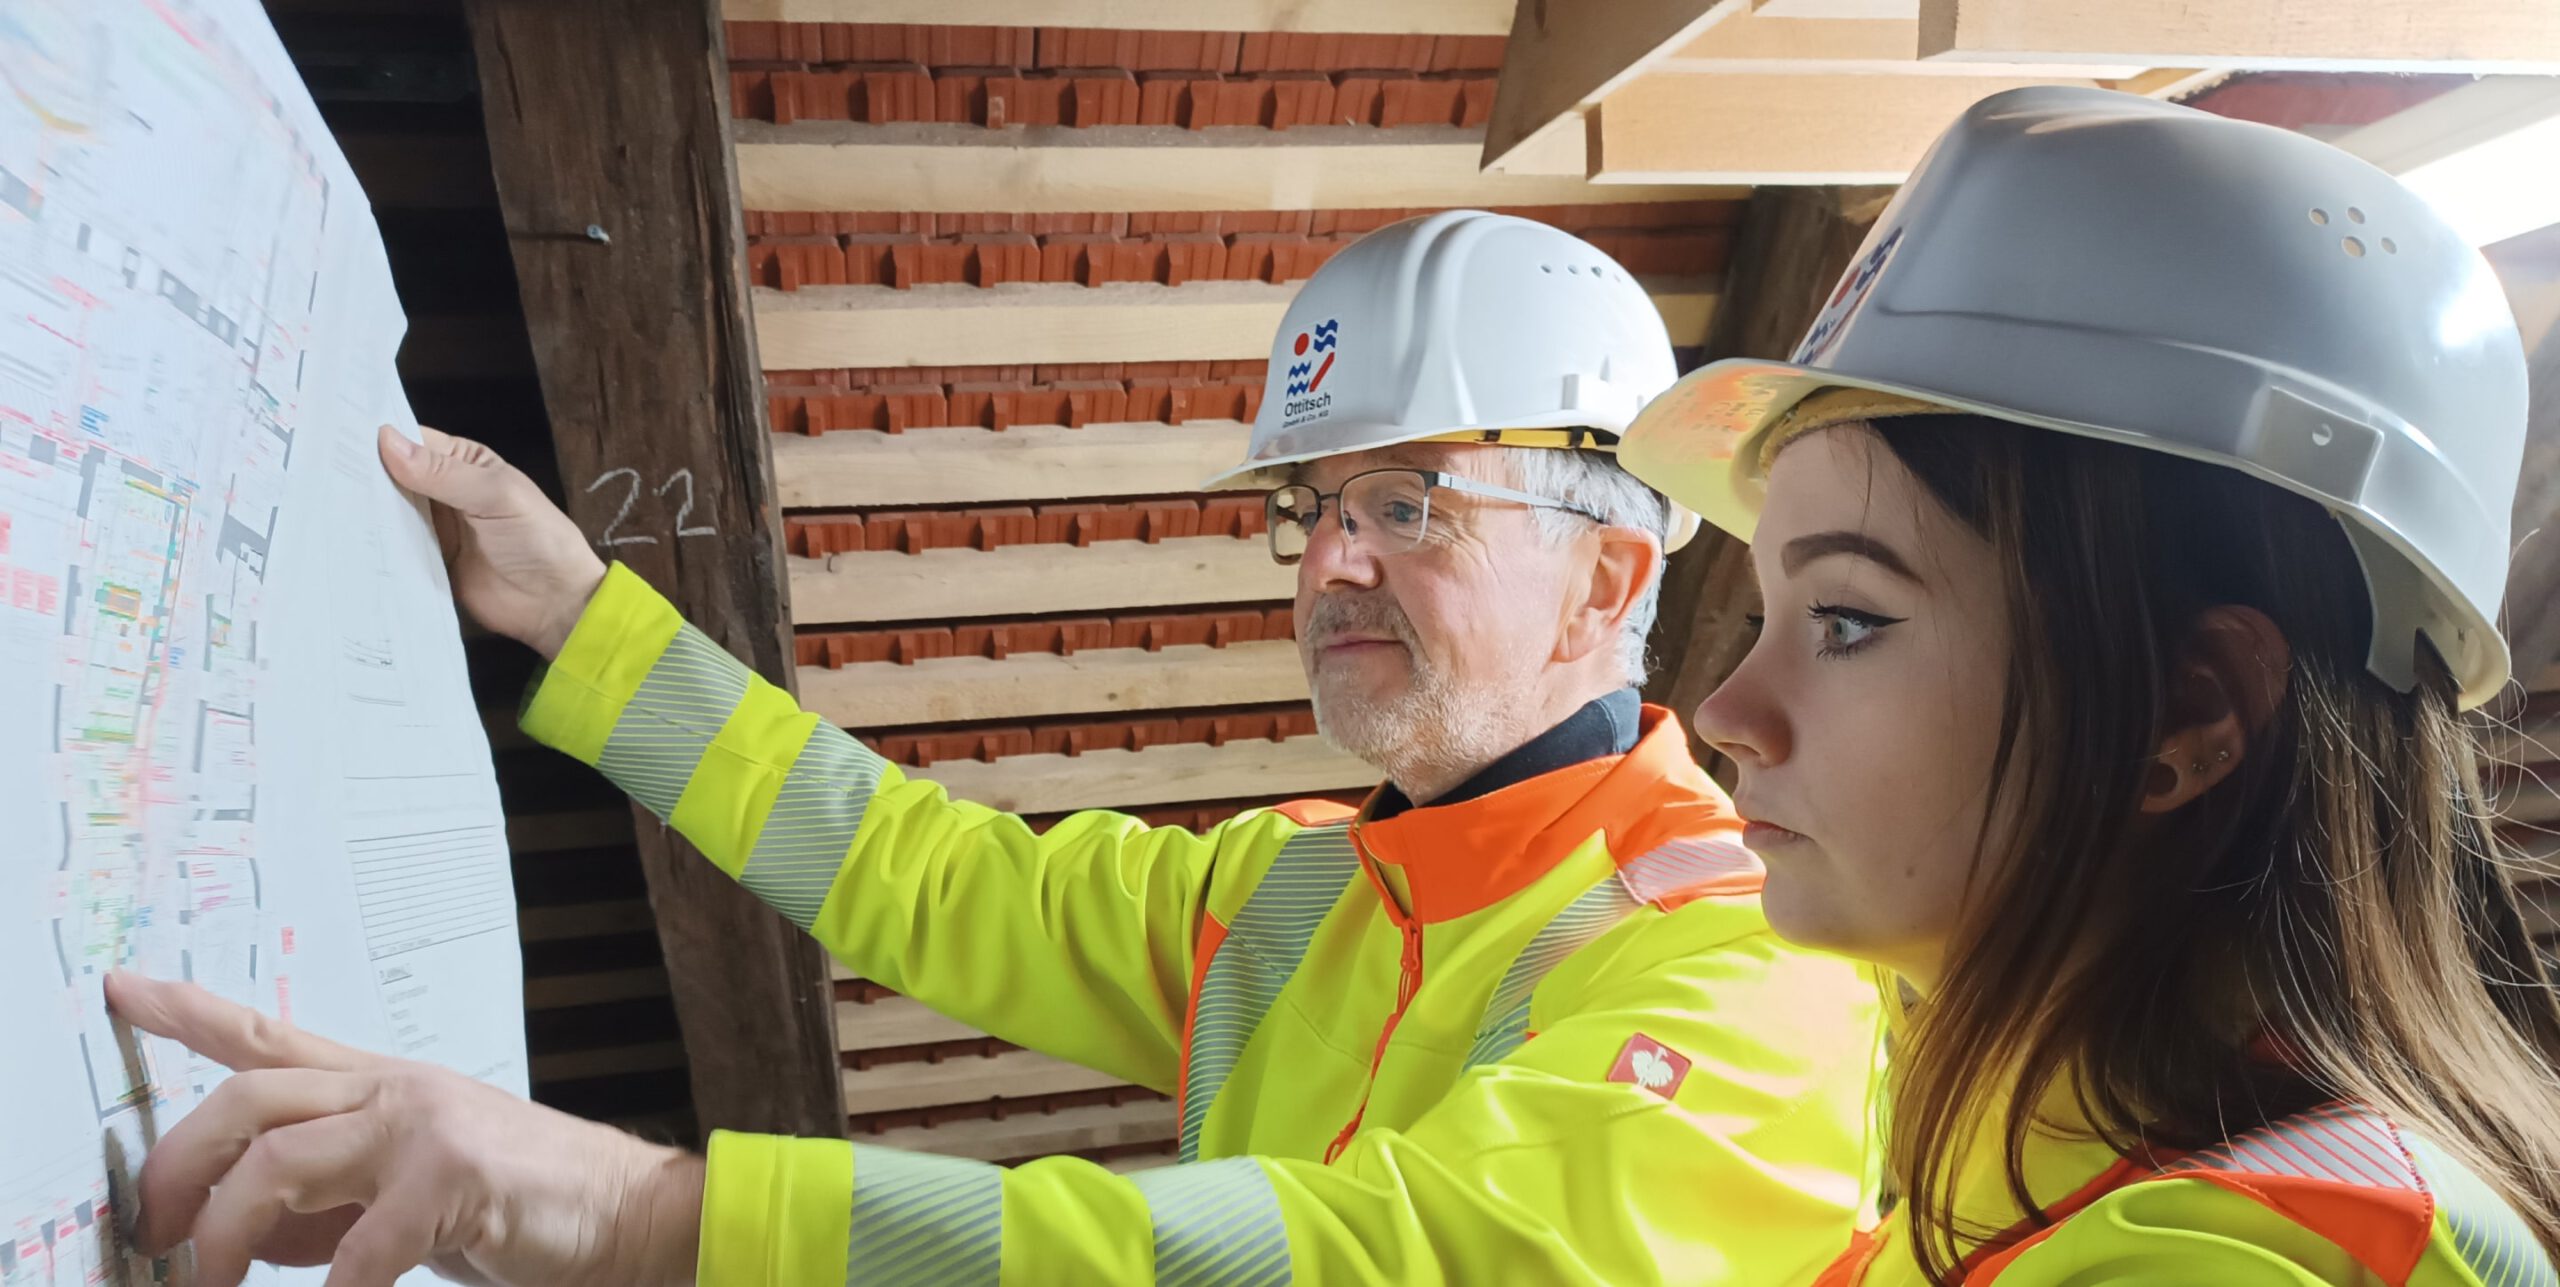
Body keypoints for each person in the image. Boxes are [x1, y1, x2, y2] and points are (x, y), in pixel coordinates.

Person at [107, 211, 1888, 1286]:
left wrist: (654, 1215)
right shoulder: (1293, 891)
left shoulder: (1759, 965)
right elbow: (915, 871)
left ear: (1610, 572)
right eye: (1317, 505)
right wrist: (582, 615)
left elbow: (1381, 1260)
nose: (1334, 560)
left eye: (1408, 502)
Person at [1613, 85, 2560, 1284]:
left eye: (1846, 619)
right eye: (1767, 615)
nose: (1724, 715)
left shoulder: (2261, 1257)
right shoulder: (2041, 1173)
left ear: (2186, 712)